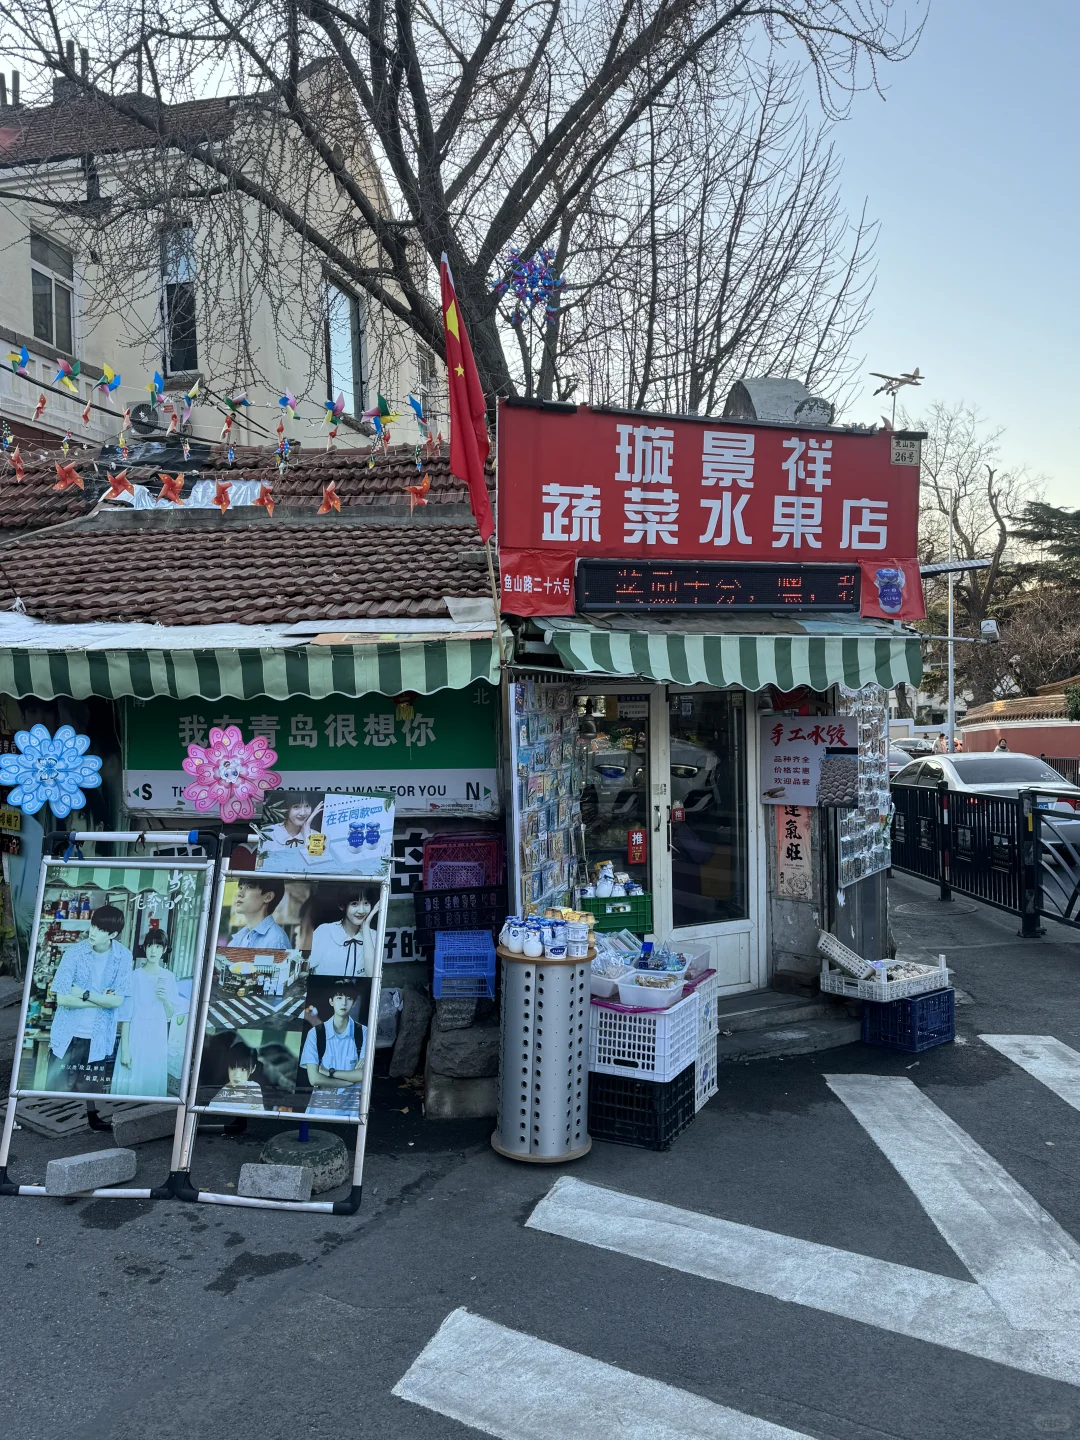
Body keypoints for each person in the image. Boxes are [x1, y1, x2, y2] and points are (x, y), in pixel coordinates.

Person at [46, 904, 133, 1093]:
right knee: (55, 1098)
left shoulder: (124, 957)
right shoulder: (73, 954)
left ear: (112, 934)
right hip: (67, 1038)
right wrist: (103, 1001)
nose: (93, 932)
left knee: (88, 1103)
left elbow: (118, 1001)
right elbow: (62, 999)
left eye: (101, 929)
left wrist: (84, 994)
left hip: (99, 1040)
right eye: (93, 926)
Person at [111, 928, 182, 1097]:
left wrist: (165, 1000)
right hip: (136, 1034)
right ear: (145, 948)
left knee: (150, 1083)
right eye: (150, 946)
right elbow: (126, 1016)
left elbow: (171, 1014)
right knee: (131, 1082)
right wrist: (125, 1051)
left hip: (157, 1037)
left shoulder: (168, 977)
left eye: (158, 947)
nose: (153, 950)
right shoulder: (135, 976)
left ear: (164, 950)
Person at [300, 985, 366, 1116]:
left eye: (349, 998)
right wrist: (349, 1082)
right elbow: (314, 1078)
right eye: (339, 998)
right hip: (320, 1111)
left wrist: (328, 1072)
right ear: (331, 1001)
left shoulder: (364, 1033)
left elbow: (363, 1075)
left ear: (353, 1003)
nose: (344, 1003)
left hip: (351, 1111)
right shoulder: (316, 1033)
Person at [308, 890, 383, 976]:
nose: (362, 911)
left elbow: (373, 977)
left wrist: (366, 927)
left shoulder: (374, 936)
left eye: (366, 903)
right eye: (355, 904)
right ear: (342, 906)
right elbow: (304, 969)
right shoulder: (325, 932)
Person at [259, 794, 324, 870]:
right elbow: (261, 866)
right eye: (296, 807)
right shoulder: (268, 833)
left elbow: (318, 869)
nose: (303, 813)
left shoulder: (316, 836)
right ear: (285, 808)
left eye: (307, 806)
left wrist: (307, 836)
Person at [226, 877, 291, 950]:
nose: (239, 894)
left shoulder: (275, 940)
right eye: (240, 888)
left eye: (249, 887)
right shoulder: (238, 938)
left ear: (268, 897)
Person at [207, 1040, 265, 1110]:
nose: (237, 1075)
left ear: (253, 1069)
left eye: (243, 1069)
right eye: (233, 1067)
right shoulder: (220, 1097)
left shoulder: (254, 1087)